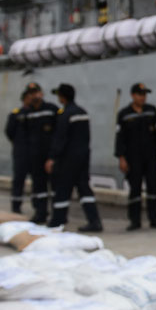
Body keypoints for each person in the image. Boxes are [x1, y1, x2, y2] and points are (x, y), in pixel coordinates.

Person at [44, 83, 102, 232]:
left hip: (68, 159)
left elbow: (60, 138)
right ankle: (94, 221)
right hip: (83, 156)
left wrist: (52, 157)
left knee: (62, 189)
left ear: (62, 97)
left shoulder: (65, 114)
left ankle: (57, 220)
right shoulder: (83, 112)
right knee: (84, 189)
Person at [115, 82, 156, 230]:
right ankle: (135, 221)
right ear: (133, 95)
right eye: (140, 94)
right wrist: (121, 158)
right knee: (135, 189)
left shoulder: (151, 111)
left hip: (150, 156)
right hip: (133, 157)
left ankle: (155, 219)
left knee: (153, 189)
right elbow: (119, 138)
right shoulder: (124, 114)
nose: (143, 97)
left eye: (144, 95)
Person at [23, 82, 57, 224]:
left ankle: (57, 215)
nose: (34, 95)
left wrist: (53, 156)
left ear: (41, 94)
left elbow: (59, 134)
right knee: (39, 187)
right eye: (31, 93)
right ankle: (41, 213)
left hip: (50, 156)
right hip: (34, 157)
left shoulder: (51, 110)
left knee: (55, 187)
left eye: (36, 92)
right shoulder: (27, 113)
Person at [4, 90, 32, 213]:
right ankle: (16, 206)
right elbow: (9, 132)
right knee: (18, 180)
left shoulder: (37, 113)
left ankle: (39, 208)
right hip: (21, 152)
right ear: (24, 99)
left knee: (39, 181)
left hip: (35, 153)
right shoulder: (16, 114)